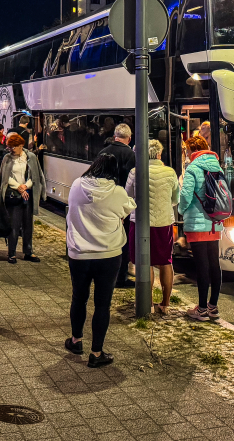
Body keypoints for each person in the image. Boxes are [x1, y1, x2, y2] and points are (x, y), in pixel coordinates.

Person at [65, 154, 136, 367]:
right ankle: (96, 353)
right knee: (102, 304)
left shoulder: (77, 185)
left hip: (79, 253)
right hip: (109, 254)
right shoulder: (117, 192)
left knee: (79, 297)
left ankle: (76, 340)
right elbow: (128, 208)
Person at [125, 139, 179, 314]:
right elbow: (175, 199)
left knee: (144, 262)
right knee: (166, 262)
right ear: (159, 154)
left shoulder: (135, 172)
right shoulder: (170, 172)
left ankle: (146, 303)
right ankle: (165, 304)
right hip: (164, 223)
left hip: (141, 223)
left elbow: (128, 196)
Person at [178, 136, 224, 321]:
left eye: (187, 150)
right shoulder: (217, 166)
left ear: (191, 151)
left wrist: (181, 210)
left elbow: (186, 196)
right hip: (215, 222)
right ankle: (213, 306)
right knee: (214, 263)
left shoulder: (193, 168)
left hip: (197, 224)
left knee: (202, 265)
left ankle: (202, 309)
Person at [98, 123, 135, 288]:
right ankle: (120, 278)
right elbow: (131, 181)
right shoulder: (130, 154)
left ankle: (104, 274)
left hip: (103, 202)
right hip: (120, 204)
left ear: (115, 136)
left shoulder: (102, 152)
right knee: (123, 240)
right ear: (129, 138)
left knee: (105, 238)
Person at [0, 134, 46, 264]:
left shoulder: (30, 157)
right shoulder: (7, 159)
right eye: (10, 146)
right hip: (13, 196)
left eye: (14, 146)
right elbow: (4, 177)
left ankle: (28, 251)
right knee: (13, 225)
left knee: (28, 225)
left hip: (28, 194)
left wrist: (26, 186)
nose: (12, 149)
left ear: (21, 145)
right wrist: (19, 187)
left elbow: (35, 176)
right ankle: (12, 253)